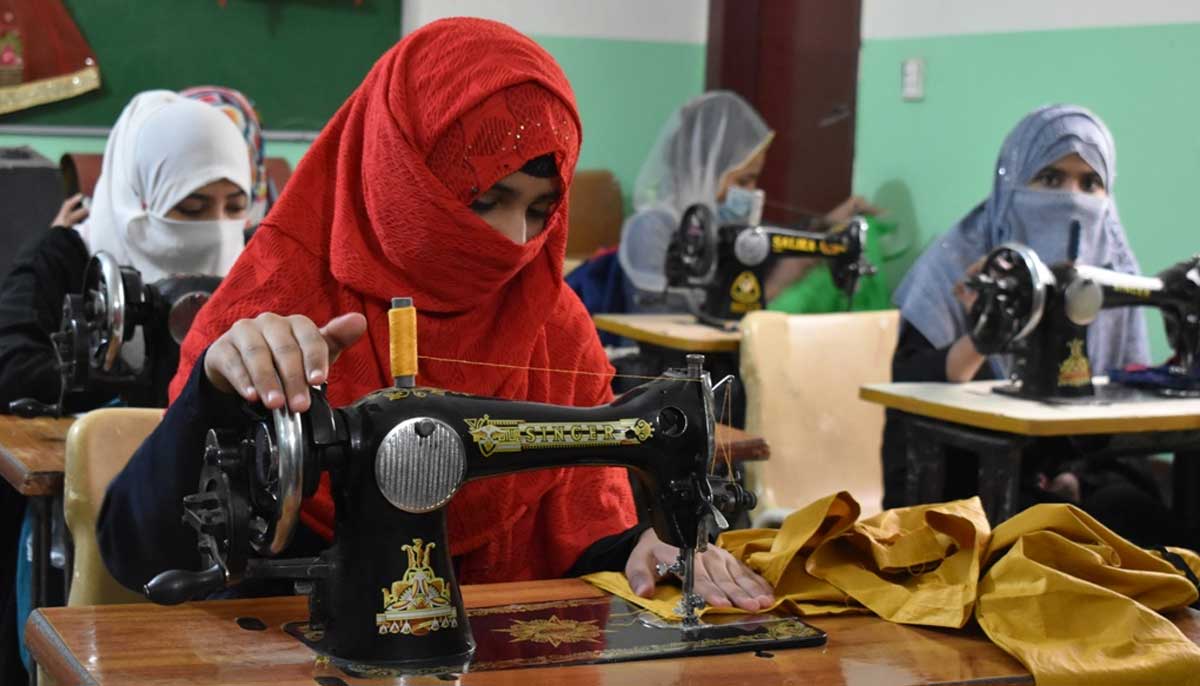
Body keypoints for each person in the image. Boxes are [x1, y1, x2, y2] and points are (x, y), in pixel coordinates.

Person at [98, 18, 775, 612]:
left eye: (541, 211)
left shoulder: (553, 321)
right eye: (485, 201)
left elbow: (582, 540)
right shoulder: (271, 316)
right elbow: (141, 555)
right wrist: (215, 398)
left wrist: (640, 550)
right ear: (398, 173)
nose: (514, 243)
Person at [882, 105, 1174, 545]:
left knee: (1142, 522)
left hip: (1071, 490)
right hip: (963, 491)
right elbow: (909, 394)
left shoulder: (1115, 273)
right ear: (1011, 185)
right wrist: (985, 333)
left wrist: (1077, 477)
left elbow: (1125, 435)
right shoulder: (953, 269)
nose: (1072, 198)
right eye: (1051, 179)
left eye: (1090, 182)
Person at [0, 89, 254, 413]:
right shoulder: (62, 258)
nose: (218, 230)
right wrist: (137, 379)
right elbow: (10, 373)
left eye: (235, 207)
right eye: (191, 209)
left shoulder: (255, 260)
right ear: (136, 200)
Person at [617, 90, 878, 313]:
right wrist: (773, 288)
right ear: (704, 171)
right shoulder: (652, 229)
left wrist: (830, 223)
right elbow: (665, 325)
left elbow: (786, 239)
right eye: (744, 181)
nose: (753, 192)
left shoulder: (727, 227)